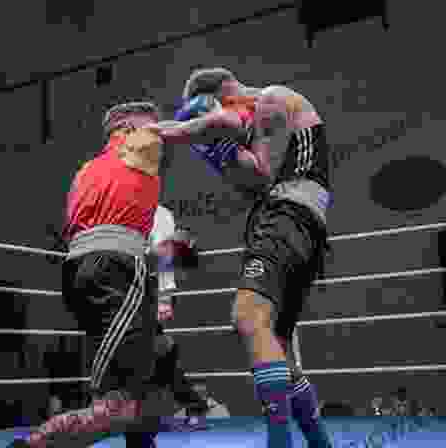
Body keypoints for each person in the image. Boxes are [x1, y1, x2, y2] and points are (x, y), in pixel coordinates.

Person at [147, 67, 334, 448]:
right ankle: (320, 444)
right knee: (276, 347)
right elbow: (251, 179)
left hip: (287, 216)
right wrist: (218, 150)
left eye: (206, 111)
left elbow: (258, 172)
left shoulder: (272, 99)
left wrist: (165, 131)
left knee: (247, 316)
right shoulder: (261, 130)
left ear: (222, 93)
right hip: (291, 221)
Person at [11, 102, 167, 448]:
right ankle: (32, 446)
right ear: (126, 131)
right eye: (150, 126)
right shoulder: (140, 148)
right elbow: (178, 133)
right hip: (118, 267)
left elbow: (71, 230)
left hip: (81, 268)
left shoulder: (87, 170)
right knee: (118, 404)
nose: (157, 133)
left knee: (144, 386)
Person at [148, 204, 229, 429]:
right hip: (148, 287)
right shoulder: (143, 210)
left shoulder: (159, 213)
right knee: (158, 351)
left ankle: (187, 406)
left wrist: (164, 298)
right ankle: (191, 406)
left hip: (155, 290)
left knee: (155, 348)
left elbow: (165, 254)